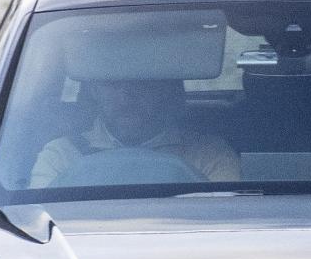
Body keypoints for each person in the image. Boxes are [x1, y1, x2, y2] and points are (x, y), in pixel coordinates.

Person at [30, 79, 240, 188]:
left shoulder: (210, 155)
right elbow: (41, 226)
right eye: (112, 84)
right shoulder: (60, 155)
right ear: (94, 90)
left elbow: (226, 226)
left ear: (163, 88)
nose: (126, 98)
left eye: (142, 83)